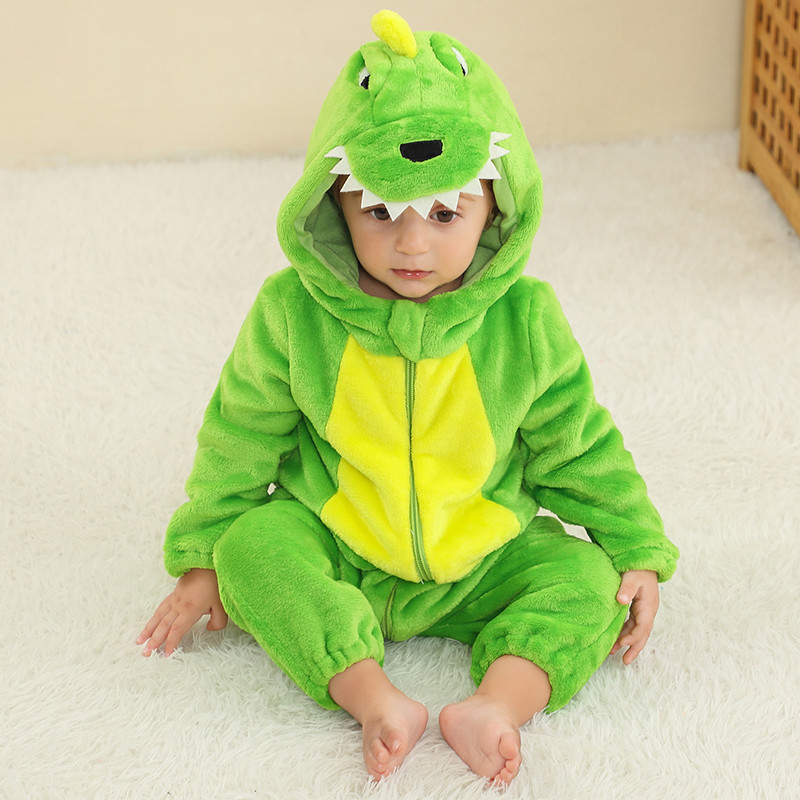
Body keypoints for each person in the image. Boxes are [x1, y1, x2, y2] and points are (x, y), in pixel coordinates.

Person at [138, 10, 679, 786]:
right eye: (381, 212)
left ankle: (496, 706)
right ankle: (373, 698)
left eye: (447, 213)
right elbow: (240, 435)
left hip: (481, 556)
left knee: (591, 583)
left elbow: (577, 442)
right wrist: (202, 556)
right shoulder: (292, 313)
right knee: (249, 551)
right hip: (341, 543)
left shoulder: (525, 320)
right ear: (334, 203)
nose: (413, 244)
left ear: (497, 206)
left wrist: (637, 549)